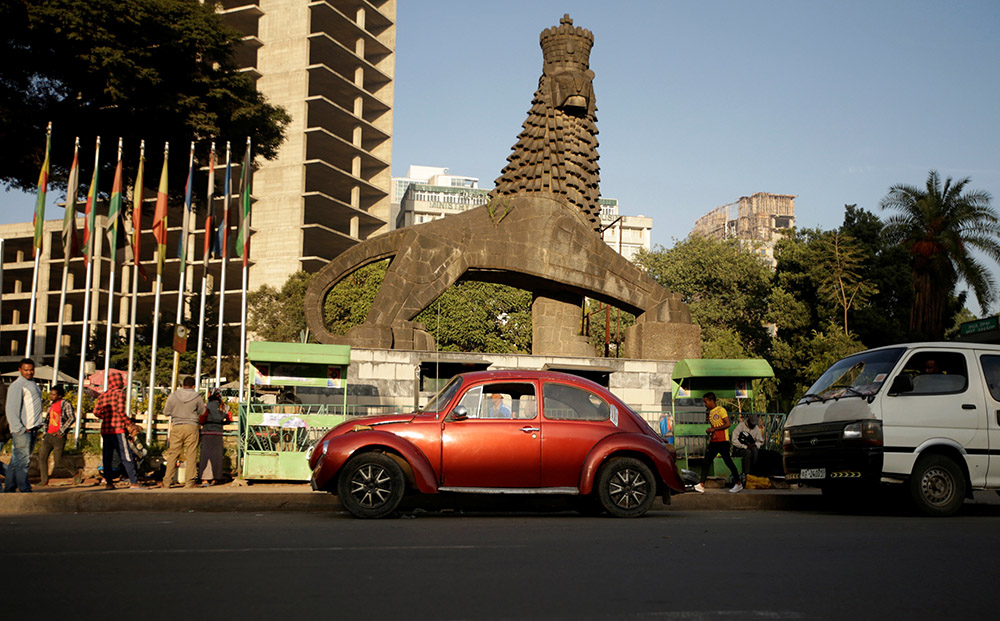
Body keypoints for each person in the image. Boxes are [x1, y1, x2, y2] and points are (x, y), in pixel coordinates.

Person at [94, 372, 142, 490]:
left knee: (107, 457)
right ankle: (134, 482)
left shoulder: (103, 395)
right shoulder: (120, 393)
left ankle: (109, 483)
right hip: (118, 430)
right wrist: (129, 423)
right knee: (126, 455)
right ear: (119, 381)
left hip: (105, 430)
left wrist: (105, 417)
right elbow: (120, 411)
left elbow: (96, 412)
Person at [4, 358, 44, 493]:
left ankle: (9, 487)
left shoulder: (33, 384)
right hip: (23, 430)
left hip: (33, 428)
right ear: (20, 370)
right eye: (26, 370)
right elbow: (11, 409)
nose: (29, 372)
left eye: (31, 369)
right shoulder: (17, 385)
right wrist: (19, 428)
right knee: (23, 461)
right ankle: (24, 487)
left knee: (16, 461)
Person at [693, 392, 742, 494]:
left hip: (723, 441)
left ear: (711, 401)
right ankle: (701, 484)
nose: (705, 404)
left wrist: (713, 429)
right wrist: (711, 431)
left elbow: (727, 424)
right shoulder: (710, 413)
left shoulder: (721, 410)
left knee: (728, 461)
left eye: (706, 402)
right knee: (706, 461)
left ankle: (738, 483)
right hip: (714, 441)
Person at [162, 376, 205, 488]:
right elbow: (202, 411)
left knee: (173, 454)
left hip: (177, 426)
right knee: (191, 454)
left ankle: (167, 482)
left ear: (182, 385)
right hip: (191, 426)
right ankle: (189, 482)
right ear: (194, 386)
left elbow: (166, 412)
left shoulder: (173, 396)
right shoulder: (197, 396)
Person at [38, 384, 76, 486]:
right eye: (51, 394)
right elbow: (47, 420)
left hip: (58, 436)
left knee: (58, 459)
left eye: (54, 395)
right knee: (42, 457)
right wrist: (45, 433)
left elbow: (71, 418)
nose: (51, 396)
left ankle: (75, 472)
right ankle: (44, 480)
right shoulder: (51, 406)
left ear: (59, 396)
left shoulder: (65, 404)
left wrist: (62, 431)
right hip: (49, 435)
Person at [198, 390, 232, 486]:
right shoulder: (224, 407)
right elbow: (229, 419)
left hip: (207, 433)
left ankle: (205, 478)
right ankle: (216, 477)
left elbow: (201, 419)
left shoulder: (206, 406)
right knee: (217, 456)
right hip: (218, 433)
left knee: (206, 456)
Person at [730, 413, 764, 488]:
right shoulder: (741, 426)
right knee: (748, 453)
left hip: (752, 448)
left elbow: (760, 441)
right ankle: (746, 474)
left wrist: (754, 445)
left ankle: (754, 474)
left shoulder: (756, 428)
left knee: (757, 452)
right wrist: (744, 446)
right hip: (739, 449)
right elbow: (734, 440)